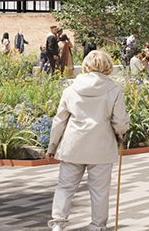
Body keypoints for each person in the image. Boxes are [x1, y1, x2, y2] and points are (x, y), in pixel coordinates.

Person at [46, 50, 130, 231]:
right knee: (100, 191)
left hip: (73, 146)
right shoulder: (114, 90)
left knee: (65, 187)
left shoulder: (71, 89)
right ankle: (97, 226)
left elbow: (59, 120)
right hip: (101, 147)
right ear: (107, 67)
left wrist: (52, 145)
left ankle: (58, 223)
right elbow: (120, 120)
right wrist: (121, 133)